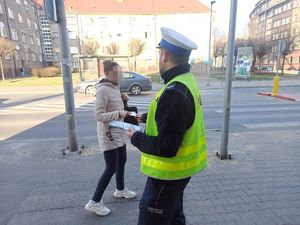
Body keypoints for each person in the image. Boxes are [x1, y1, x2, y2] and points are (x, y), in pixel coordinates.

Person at [126, 27, 207, 225]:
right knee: (174, 218)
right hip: (178, 174)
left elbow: (167, 145)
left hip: (167, 175)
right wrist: (144, 117)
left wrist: (134, 137)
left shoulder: (173, 91)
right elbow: (175, 118)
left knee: (153, 218)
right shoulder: (186, 81)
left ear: (165, 55)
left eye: (159, 53)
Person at [85, 60, 136, 216]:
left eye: (120, 72)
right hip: (107, 134)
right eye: (116, 73)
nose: (119, 75)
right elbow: (98, 115)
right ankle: (94, 202)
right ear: (106, 73)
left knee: (122, 161)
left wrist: (125, 102)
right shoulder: (102, 91)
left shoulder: (116, 87)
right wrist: (118, 114)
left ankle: (120, 190)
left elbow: (118, 109)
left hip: (118, 131)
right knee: (111, 168)